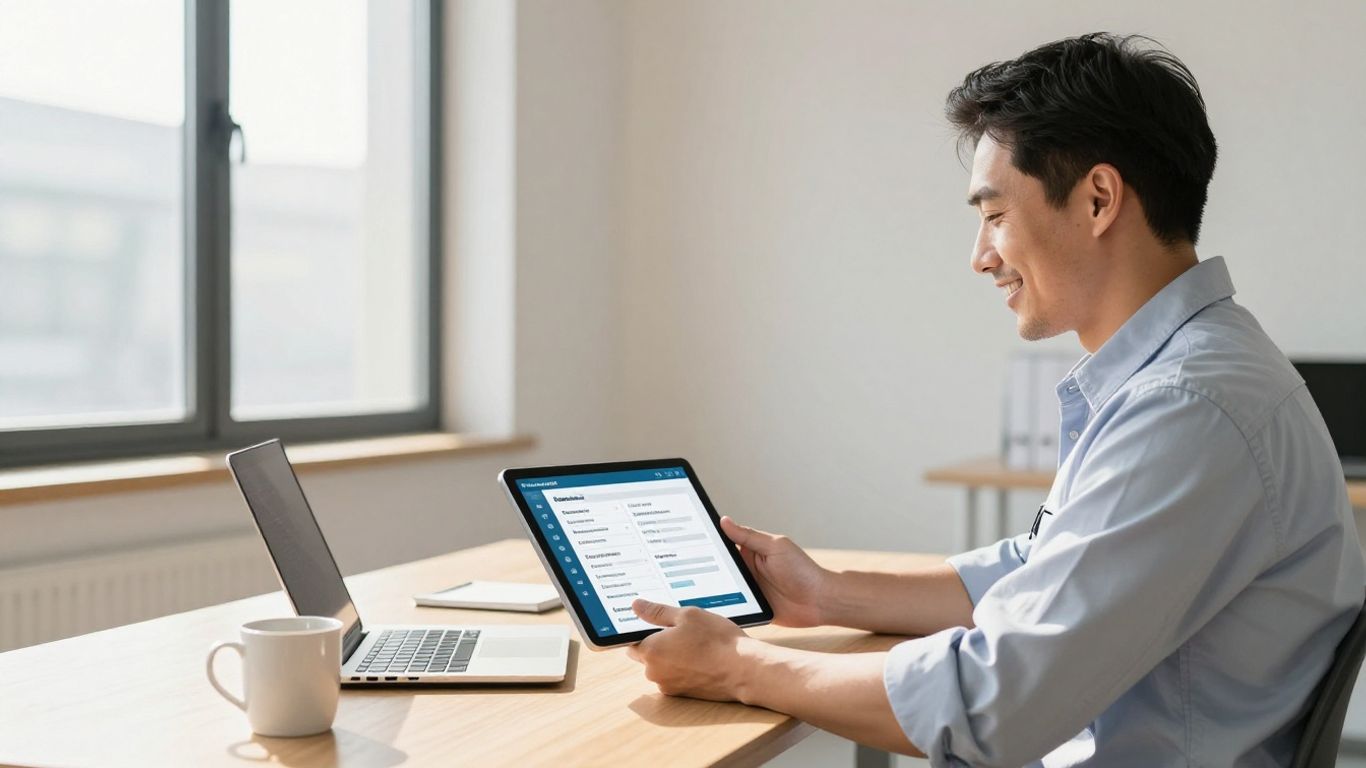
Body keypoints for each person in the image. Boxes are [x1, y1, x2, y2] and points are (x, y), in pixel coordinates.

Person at [624, 33, 1366, 766]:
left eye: (996, 215)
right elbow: (1048, 568)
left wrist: (739, 667)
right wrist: (831, 596)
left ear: (1099, 199)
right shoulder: (1196, 373)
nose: (980, 257)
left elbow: (992, 702)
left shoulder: (1190, 408)